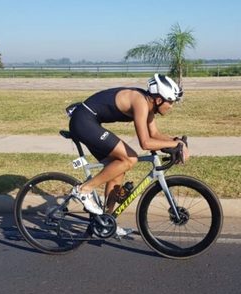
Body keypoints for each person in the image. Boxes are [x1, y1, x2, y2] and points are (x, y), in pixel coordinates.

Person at [67, 74, 188, 234]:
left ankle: (105, 222)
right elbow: (145, 142)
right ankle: (83, 190)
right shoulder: (141, 103)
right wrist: (175, 145)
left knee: (118, 167)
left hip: (90, 121)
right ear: (159, 100)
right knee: (130, 158)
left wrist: (177, 141)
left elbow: (154, 134)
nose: (172, 106)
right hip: (83, 121)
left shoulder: (150, 104)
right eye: (171, 102)